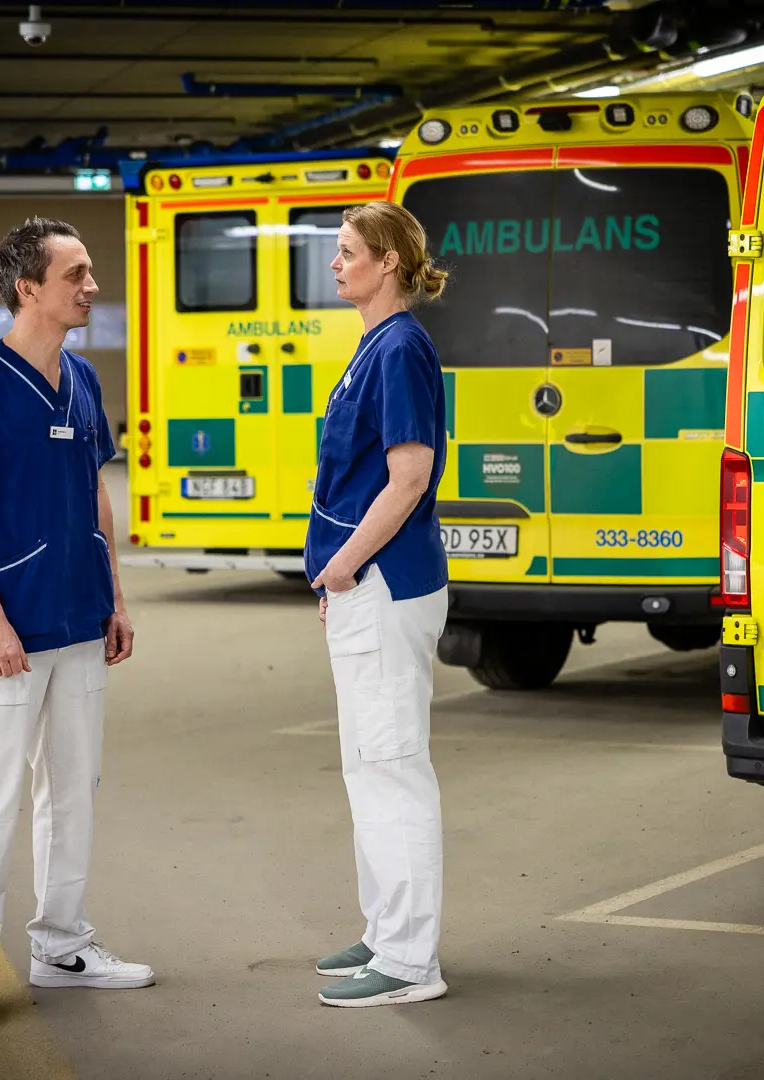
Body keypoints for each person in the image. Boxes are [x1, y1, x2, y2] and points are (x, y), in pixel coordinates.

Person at [0, 217, 152, 1030]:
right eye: (75, 274)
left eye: (88, 273)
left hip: (79, 623)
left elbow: (94, 491)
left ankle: (62, 946)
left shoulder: (82, 378)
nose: (92, 286)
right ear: (28, 289)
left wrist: (114, 598)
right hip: (4, 635)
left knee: (72, 794)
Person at [306, 202, 451, 1008]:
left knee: (392, 767)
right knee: (367, 764)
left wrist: (341, 567)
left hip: (382, 583)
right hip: (364, 587)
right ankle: (384, 929)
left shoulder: (397, 348)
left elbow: (408, 477)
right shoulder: (375, 345)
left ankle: (409, 962)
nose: (336, 263)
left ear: (388, 262)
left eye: (347, 251)